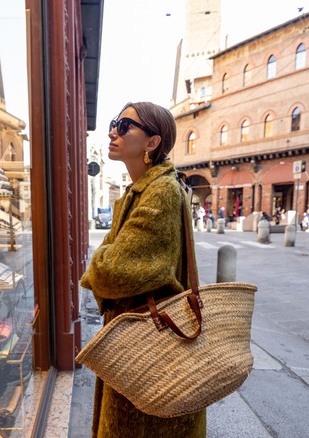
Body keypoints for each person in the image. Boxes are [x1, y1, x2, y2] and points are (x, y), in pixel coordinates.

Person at [80, 102, 206, 437]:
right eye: (113, 124)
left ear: (152, 143)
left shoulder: (160, 191)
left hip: (151, 349)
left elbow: (112, 271)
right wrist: (103, 262)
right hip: (144, 341)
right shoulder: (143, 190)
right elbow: (110, 262)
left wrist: (99, 265)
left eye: (124, 126)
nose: (112, 132)